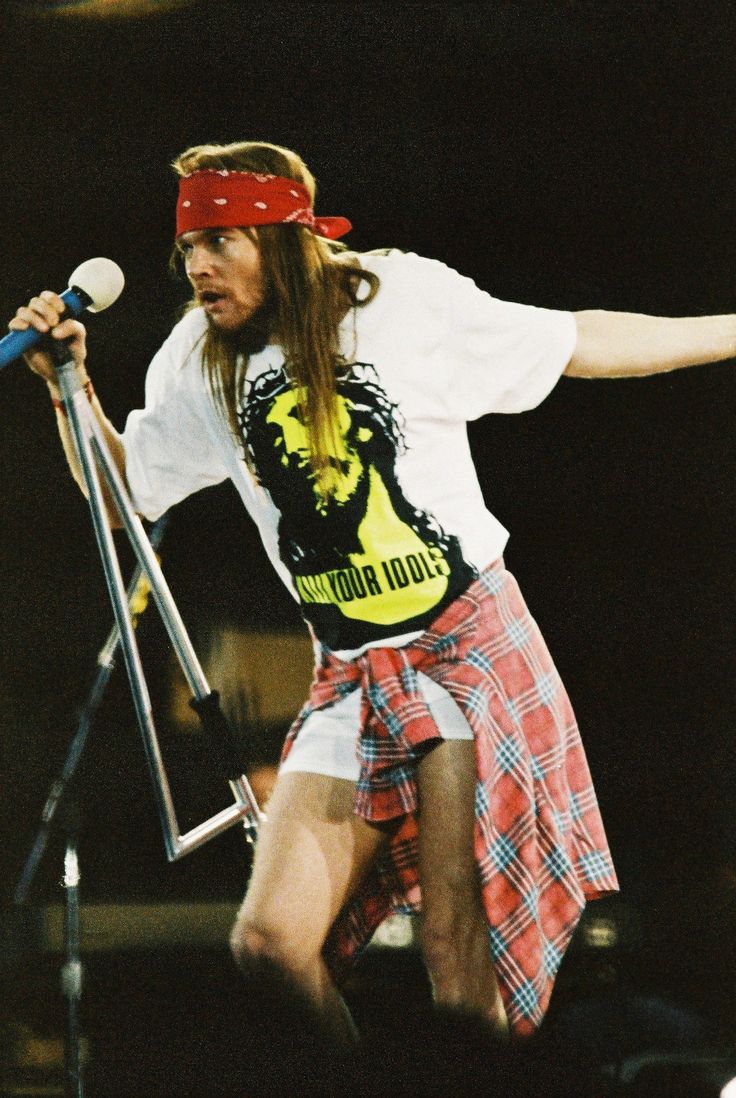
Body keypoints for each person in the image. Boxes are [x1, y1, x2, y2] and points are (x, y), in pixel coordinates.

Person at [10, 140, 734, 1044]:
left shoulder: (398, 302)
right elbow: (126, 497)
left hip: (462, 652)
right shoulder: (201, 354)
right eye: (187, 248)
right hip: (350, 672)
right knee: (270, 943)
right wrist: (68, 386)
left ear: (281, 236)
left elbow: (579, 340)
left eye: (221, 241)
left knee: (455, 949)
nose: (197, 266)